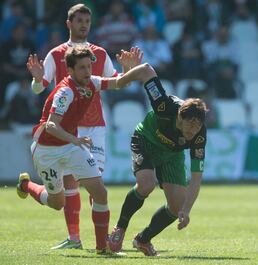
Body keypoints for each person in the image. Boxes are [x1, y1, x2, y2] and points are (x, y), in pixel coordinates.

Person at [27, 4, 142, 250]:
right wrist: (37, 80)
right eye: (78, 20)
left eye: (87, 21)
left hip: (94, 127)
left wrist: (128, 71)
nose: (83, 25)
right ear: (69, 23)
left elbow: (115, 82)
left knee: (95, 185)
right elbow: (40, 87)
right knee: (68, 188)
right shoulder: (56, 54)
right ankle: (75, 239)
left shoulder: (98, 54)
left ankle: (103, 245)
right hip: (65, 132)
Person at [107, 63, 208, 256]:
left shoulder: (199, 134)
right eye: (189, 127)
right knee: (146, 184)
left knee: (177, 204)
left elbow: (196, 178)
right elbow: (145, 70)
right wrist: (120, 81)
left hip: (172, 155)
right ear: (180, 117)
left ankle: (143, 239)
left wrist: (186, 210)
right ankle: (119, 228)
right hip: (146, 140)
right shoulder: (164, 106)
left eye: (197, 128)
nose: (192, 132)